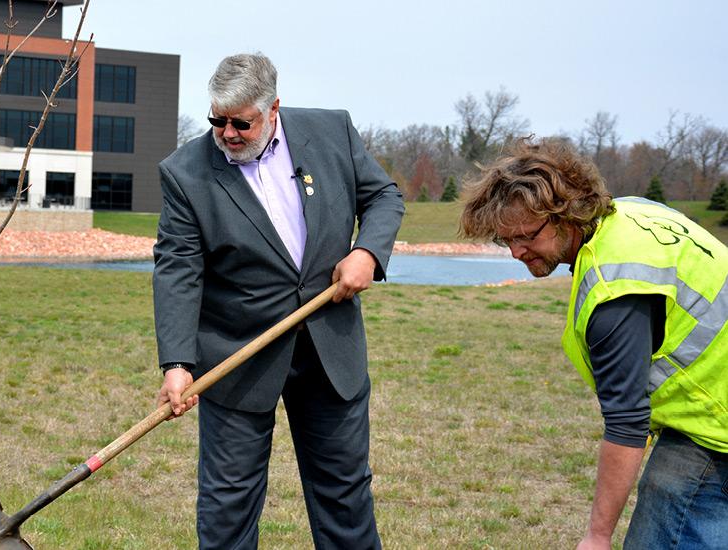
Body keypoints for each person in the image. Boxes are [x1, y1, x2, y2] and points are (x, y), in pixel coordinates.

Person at [153, 52, 405, 549]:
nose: (227, 134)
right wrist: (178, 362)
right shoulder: (185, 173)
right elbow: (178, 268)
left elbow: (383, 197)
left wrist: (367, 252)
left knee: (345, 498)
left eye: (241, 122)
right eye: (217, 121)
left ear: (274, 110)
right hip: (237, 355)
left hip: (329, 349)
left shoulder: (333, 132)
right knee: (227, 508)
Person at [459, 138, 728, 550]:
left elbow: (626, 423)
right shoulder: (637, 210)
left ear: (565, 215)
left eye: (525, 236)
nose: (515, 251)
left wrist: (597, 536)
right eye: (503, 240)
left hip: (716, 422)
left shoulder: (614, 291)